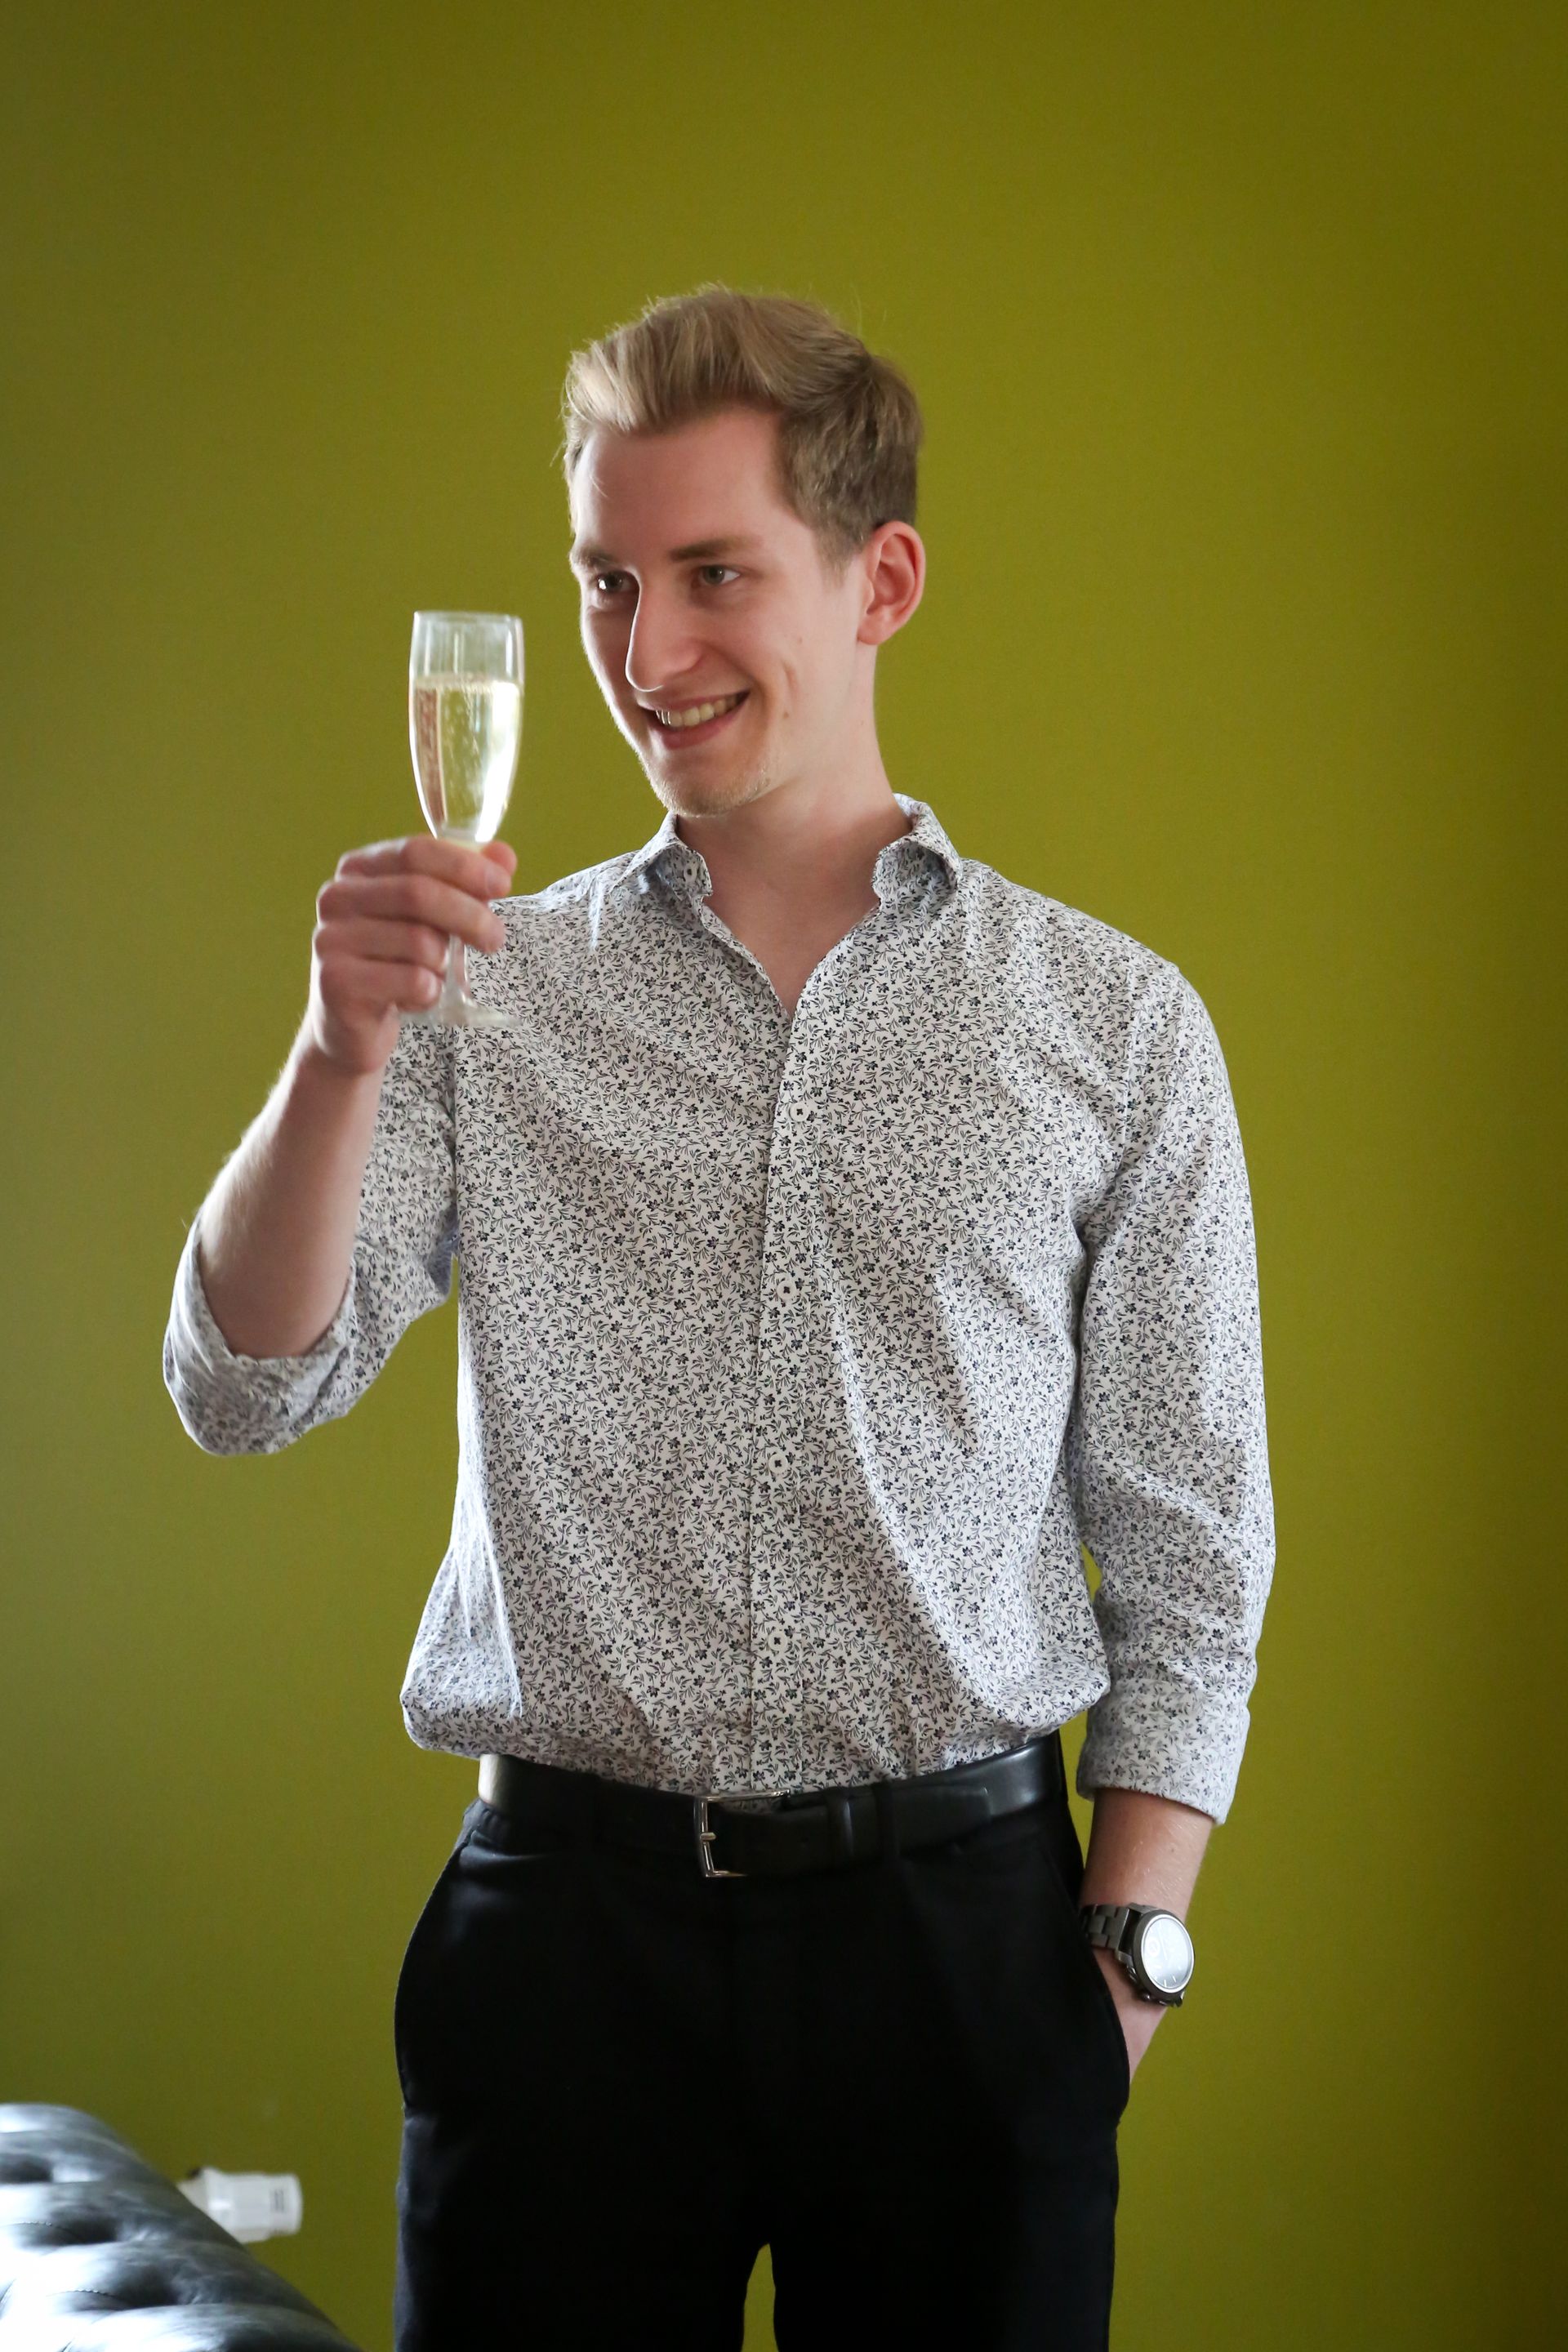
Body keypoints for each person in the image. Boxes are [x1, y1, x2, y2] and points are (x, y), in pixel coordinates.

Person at [163, 283, 1275, 2352]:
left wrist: (1119, 1975)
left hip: (965, 1961)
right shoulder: (476, 998)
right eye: (605, 582)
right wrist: (335, 1051)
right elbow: (242, 1385)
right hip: (560, 1965)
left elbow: (1196, 1554)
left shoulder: (1115, 1029)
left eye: (713, 576)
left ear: (883, 583)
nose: (647, 655)